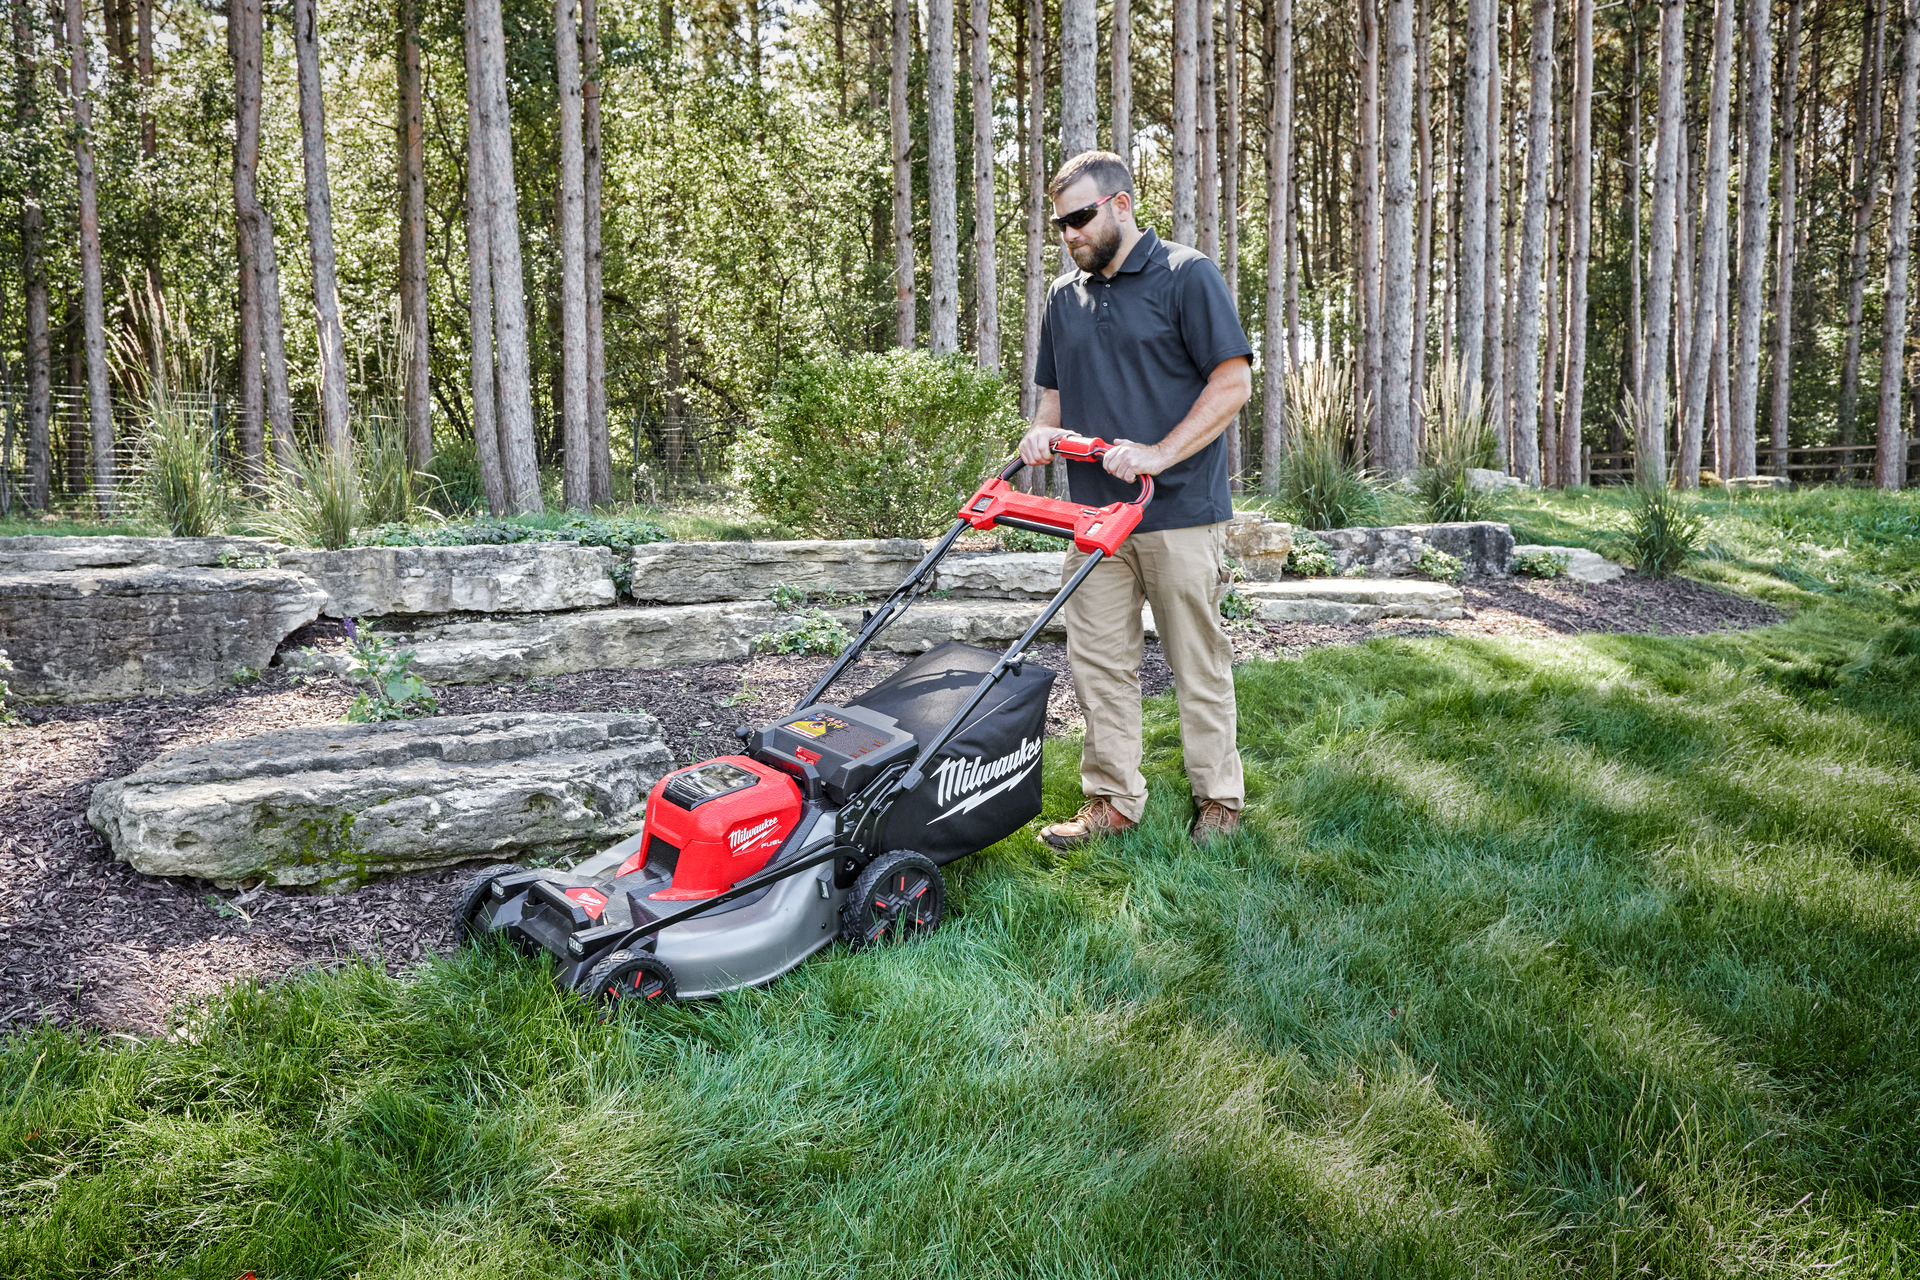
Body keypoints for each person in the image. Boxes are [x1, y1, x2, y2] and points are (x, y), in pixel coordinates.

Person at [1019, 150, 1253, 850]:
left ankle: (1219, 800)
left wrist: (1156, 454)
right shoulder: (1065, 298)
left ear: (1121, 205)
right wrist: (1039, 437)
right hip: (1095, 521)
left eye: (1080, 218)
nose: (1069, 235)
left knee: (1196, 662)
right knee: (1097, 665)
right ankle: (1112, 803)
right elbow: (1053, 400)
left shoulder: (1187, 276)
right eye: (1060, 224)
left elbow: (1232, 384)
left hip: (1179, 512)